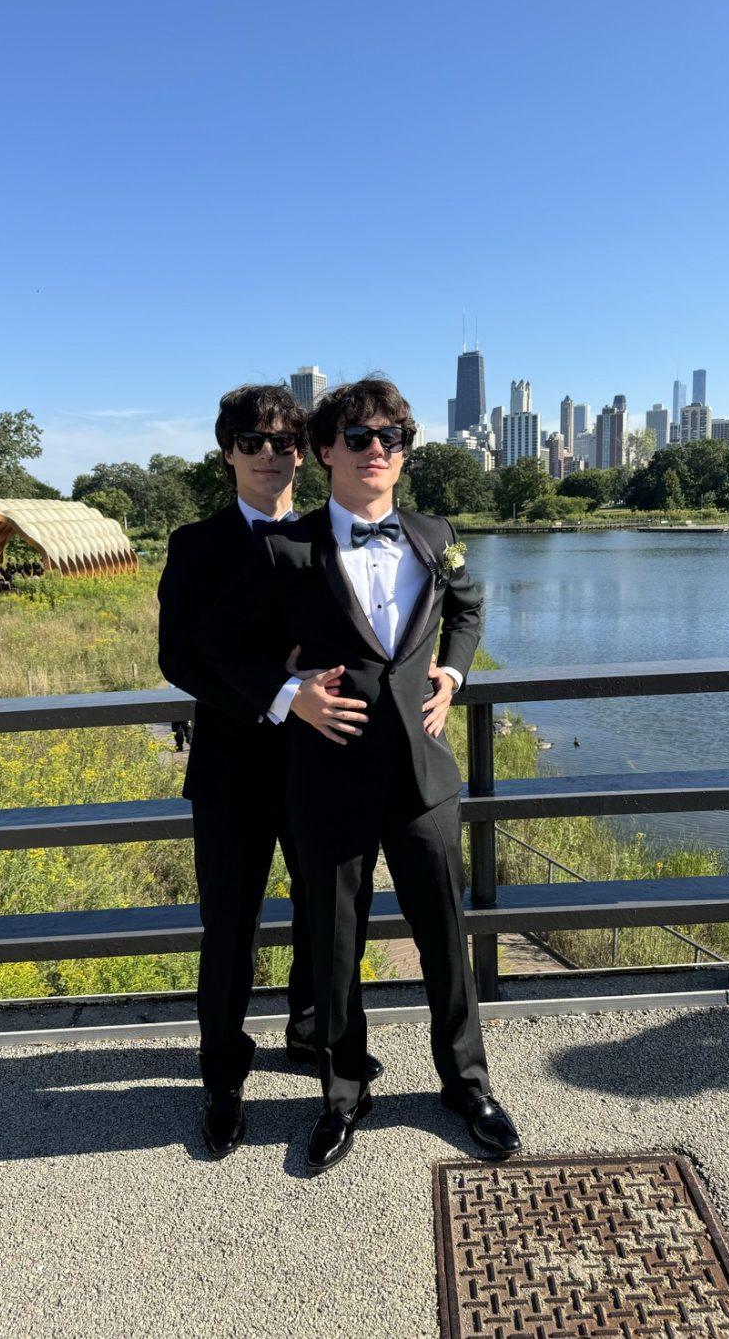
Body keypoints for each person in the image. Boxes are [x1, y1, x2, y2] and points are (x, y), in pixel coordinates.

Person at [198, 377, 521, 1173]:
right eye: (360, 435)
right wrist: (286, 694)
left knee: (446, 939)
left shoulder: (433, 533)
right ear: (327, 450)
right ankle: (343, 1094)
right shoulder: (287, 547)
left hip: (422, 778)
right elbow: (214, 645)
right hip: (328, 780)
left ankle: (468, 1083)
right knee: (336, 949)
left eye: (394, 436)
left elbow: (470, 606)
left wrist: (453, 674)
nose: (378, 447)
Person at [158, 383, 381, 1160]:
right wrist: (283, 691)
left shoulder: (332, 534)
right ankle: (222, 1079)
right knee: (230, 928)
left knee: (327, 915)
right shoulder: (196, 545)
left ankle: (314, 1037)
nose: (268, 456)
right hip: (232, 768)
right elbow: (177, 656)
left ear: (303, 453)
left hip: (323, 767)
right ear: (227, 451)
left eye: (282, 442)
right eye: (250, 442)